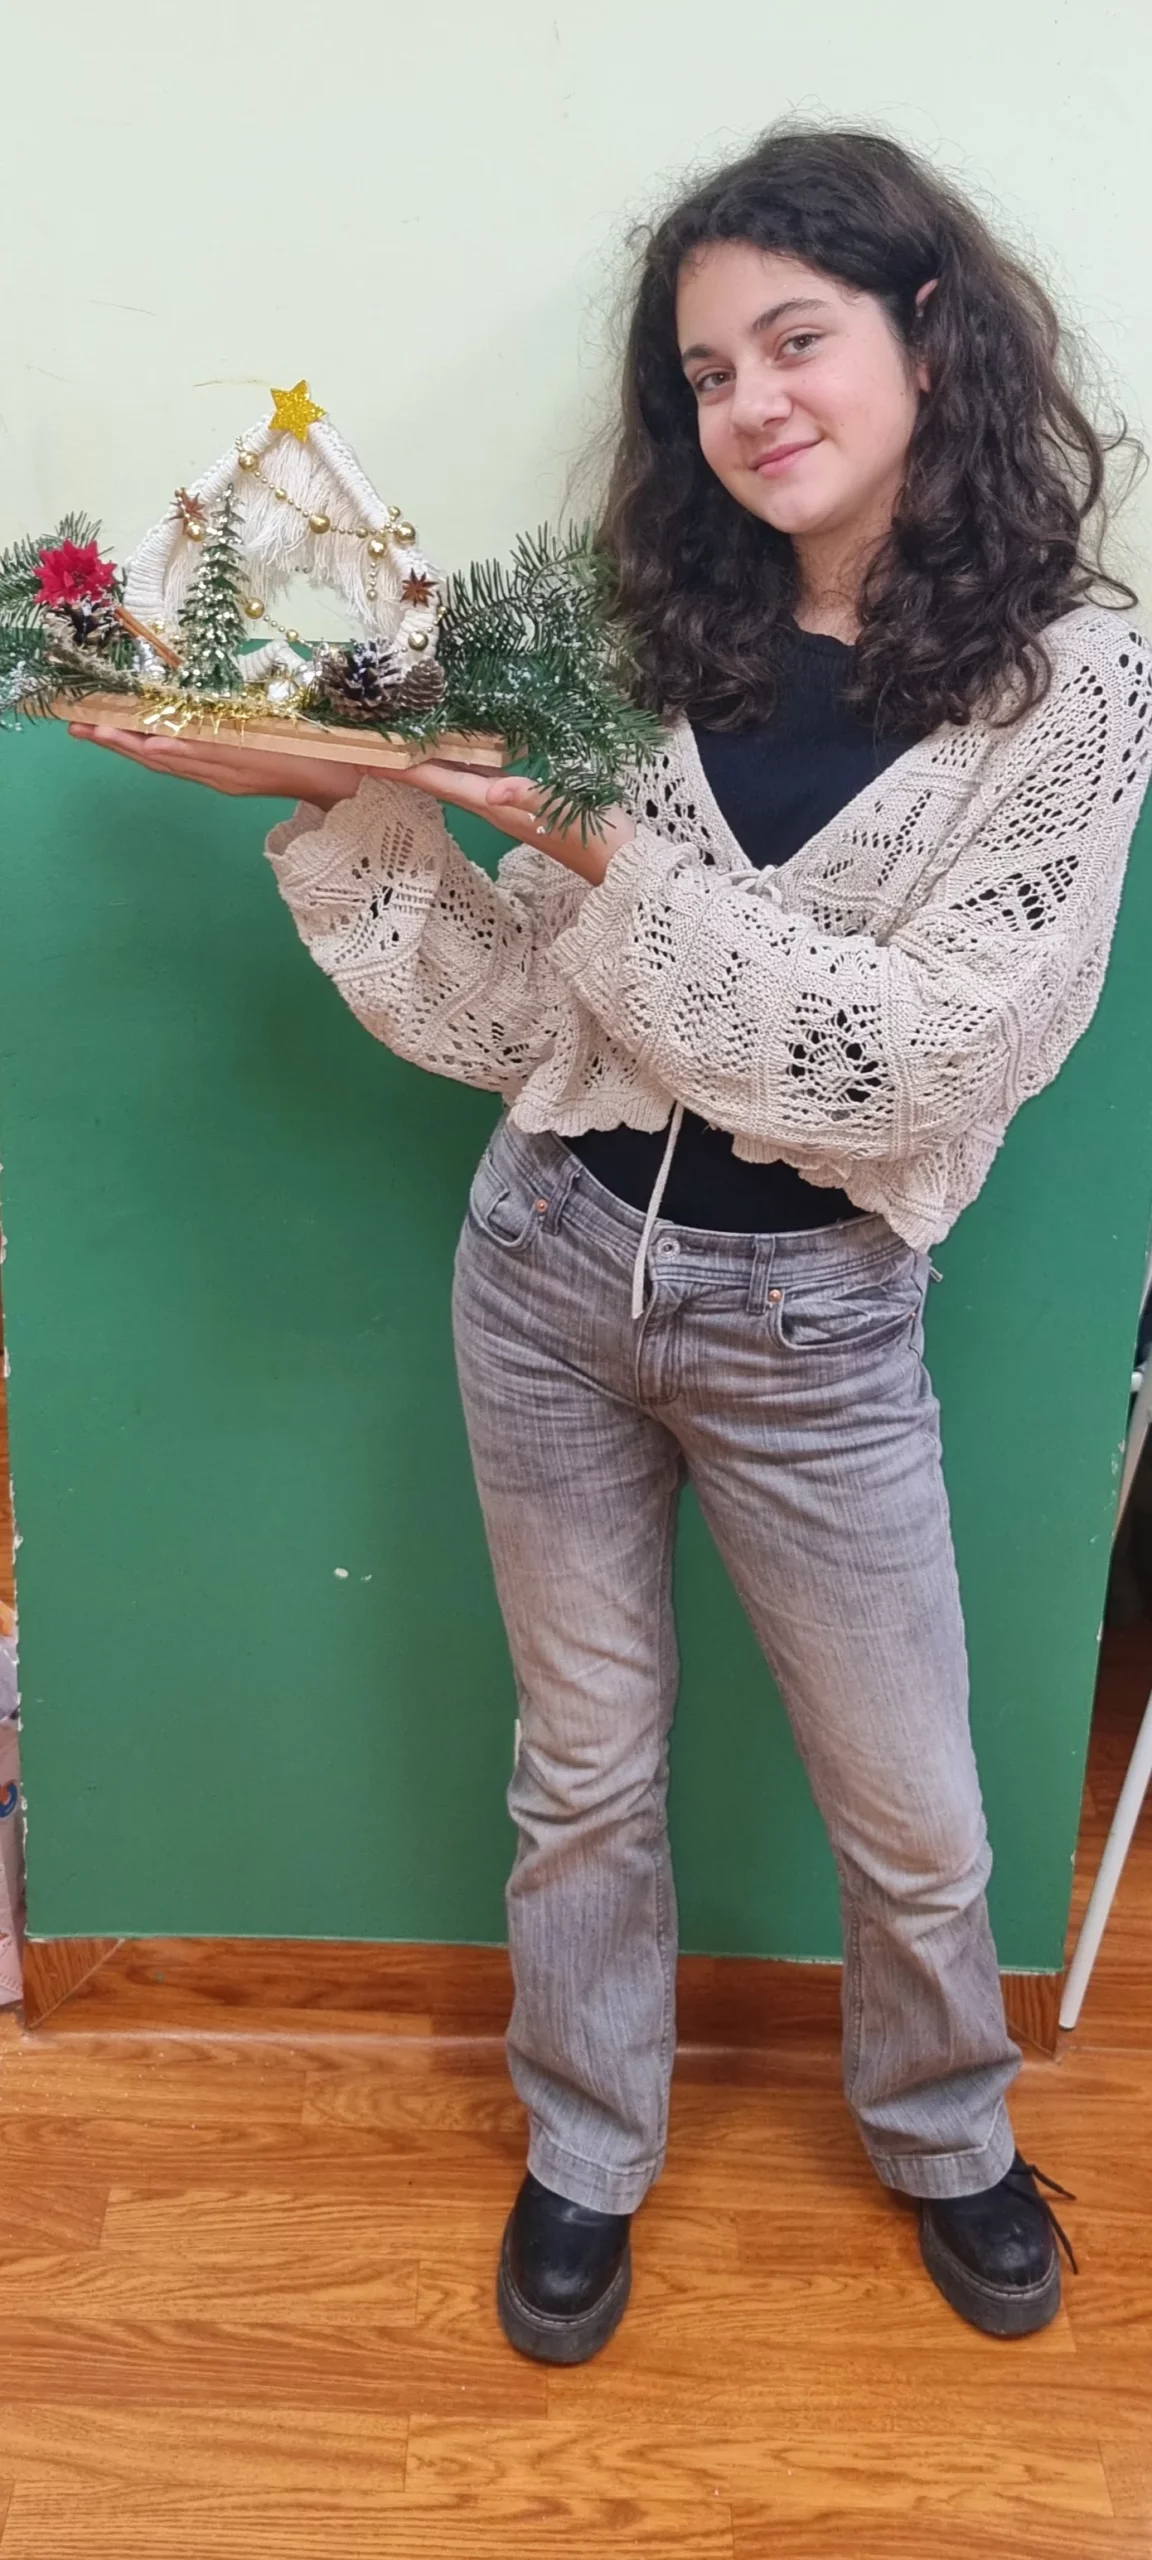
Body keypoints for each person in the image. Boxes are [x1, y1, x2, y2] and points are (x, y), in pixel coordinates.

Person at [74, 124, 1152, 2361]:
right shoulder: (645, 640)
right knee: (580, 1770)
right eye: (704, 373)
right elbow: (517, 1022)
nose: (750, 403)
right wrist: (342, 801)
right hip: (547, 1271)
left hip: (818, 1323)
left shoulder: (1070, 683)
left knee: (916, 1804)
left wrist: (581, 837)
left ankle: (948, 2130)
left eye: (794, 341)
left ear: (928, 333)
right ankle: (586, 2143)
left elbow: (912, 1063)